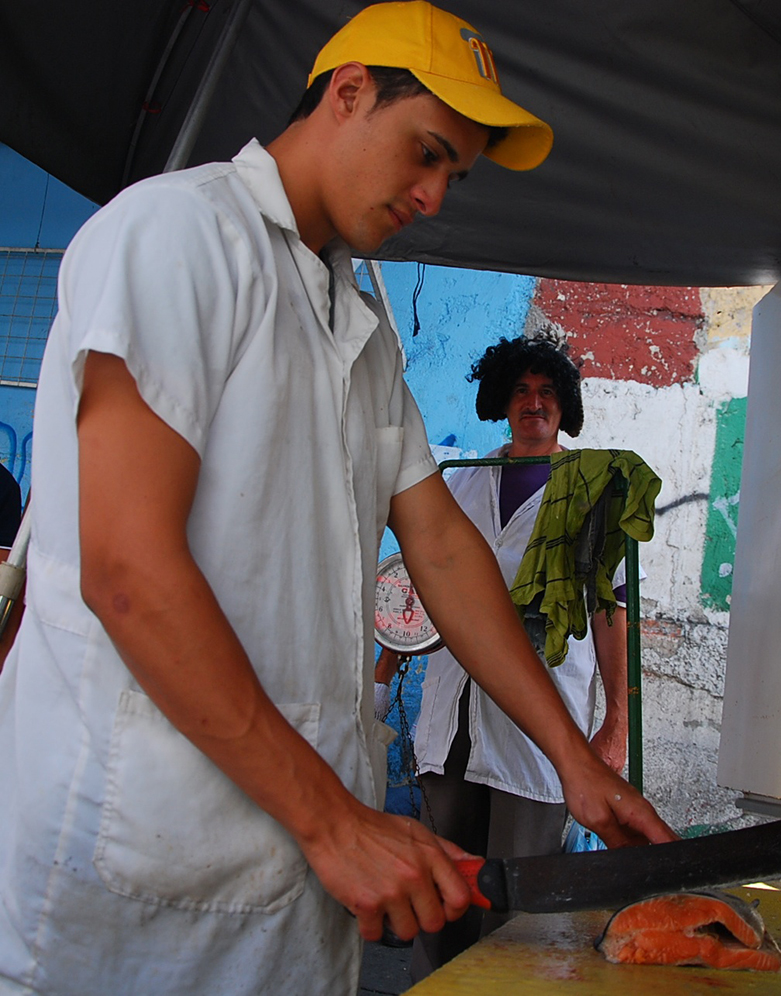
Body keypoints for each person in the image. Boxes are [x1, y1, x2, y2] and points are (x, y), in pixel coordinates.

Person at [0, 5, 674, 995]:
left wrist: (574, 759)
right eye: (428, 154)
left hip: (292, 877)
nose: (436, 195)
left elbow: (440, 546)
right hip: (139, 867)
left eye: (455, 175)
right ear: (349, 90)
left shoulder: (354, 319)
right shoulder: (177, 234)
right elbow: (127, 568)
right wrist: (333, 820)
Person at [406, 333, 636, 977]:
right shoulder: (464, 479)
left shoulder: (592, 488)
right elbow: (424, 585)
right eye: (521, 391)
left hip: (541, 721)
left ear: (565, 406)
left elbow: (610, 610)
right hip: (453, 707)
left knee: (521, 884)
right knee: (442, 877)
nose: (534, 403)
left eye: (547, 392)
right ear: (501, 402)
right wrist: (386, 661)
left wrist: (615, 720)